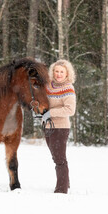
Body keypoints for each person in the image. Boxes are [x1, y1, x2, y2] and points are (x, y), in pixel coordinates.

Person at [42, 59, 76, 194]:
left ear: (67, 74)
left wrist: (51, 113)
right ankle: (65, 183)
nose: (59, 74)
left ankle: (61, 189)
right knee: (56, 157)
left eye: (62, 72)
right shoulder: (48, 86)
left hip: (61, 128)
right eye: (56, 71)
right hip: (48, 126)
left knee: (60, 159)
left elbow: (70, 110)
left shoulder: (68, 88)